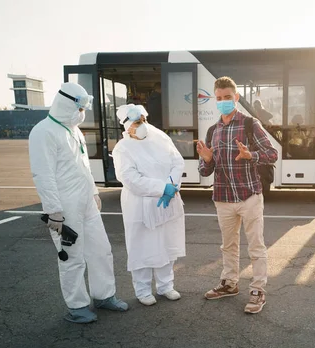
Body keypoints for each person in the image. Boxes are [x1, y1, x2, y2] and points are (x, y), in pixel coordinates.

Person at [29, 82, 128, 323]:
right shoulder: (43, 132)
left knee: (101, 250)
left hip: (85, 202)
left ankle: (104, 295)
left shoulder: (73, 130)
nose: (82, 113)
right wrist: (53, 211)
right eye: (80, 107)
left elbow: (83, 165)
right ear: (65, 103)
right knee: (72, 257)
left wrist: (94, 192)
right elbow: (44, 175)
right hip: (65, 207)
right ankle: (77, 306)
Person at [196, 76, 278, 314]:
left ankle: (258, 289)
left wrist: (251, 155)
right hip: (223, 197)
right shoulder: (213, 131)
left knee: (256, 246)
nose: (223, 102)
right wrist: (207, 160)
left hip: (249, 196)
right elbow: (205, 170)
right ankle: (229, 283)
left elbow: (272, 154)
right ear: (215, 99)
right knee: (228, 246)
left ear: (236, 98)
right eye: (219, 98)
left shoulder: (250, 124)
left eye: (227, 98)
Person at [112, 104, 186, 306]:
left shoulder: (160, 139)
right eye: (137, 122)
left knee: (166, 243)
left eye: (143, 120)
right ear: (127, 126)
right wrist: (162, 188)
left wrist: (171, 185)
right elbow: (129, 178)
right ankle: (143, 290)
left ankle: (165, 286)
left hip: (167, 201)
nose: (143, 125)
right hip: (140, 205)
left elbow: (178, 162)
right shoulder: (123, 148)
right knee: (142, 246)